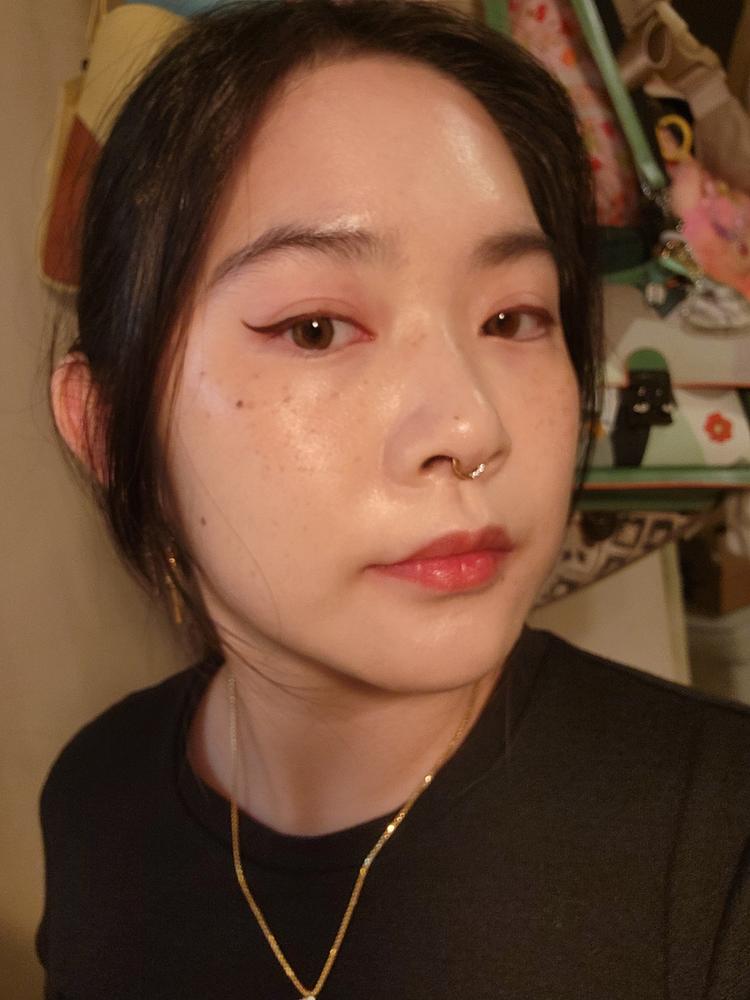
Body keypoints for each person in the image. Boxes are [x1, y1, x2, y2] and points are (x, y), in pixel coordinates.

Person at [39, 2, 750, 997]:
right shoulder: (93, 800)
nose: (471, 426)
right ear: (109, 429)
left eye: (514, 317)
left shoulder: (717, 847)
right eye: (317, 328)